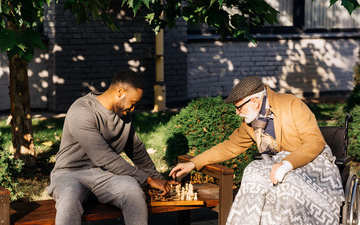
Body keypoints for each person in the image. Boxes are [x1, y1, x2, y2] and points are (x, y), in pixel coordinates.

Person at [170, 76, 345, 225]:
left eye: (239, 108)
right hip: (278, 166)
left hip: (311, 163)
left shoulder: (291, 104)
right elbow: (230, 146)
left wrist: (287, 164)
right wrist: (194, 162)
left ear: (255, 101)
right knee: (252, 171)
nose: (238, 113)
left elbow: (315, 142)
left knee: (284, 183)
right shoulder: (251, 122)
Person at [47, 70, 174, 225]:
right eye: (132, 103)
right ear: (120, 92)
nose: (133, 109)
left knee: (133, 191)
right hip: (70, 174)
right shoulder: (81, 111)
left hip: (105, 176)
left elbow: (136, 150)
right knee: (69, 195)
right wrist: (146, 179)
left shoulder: (123, 115)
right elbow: (104, 157)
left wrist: (159, 179)